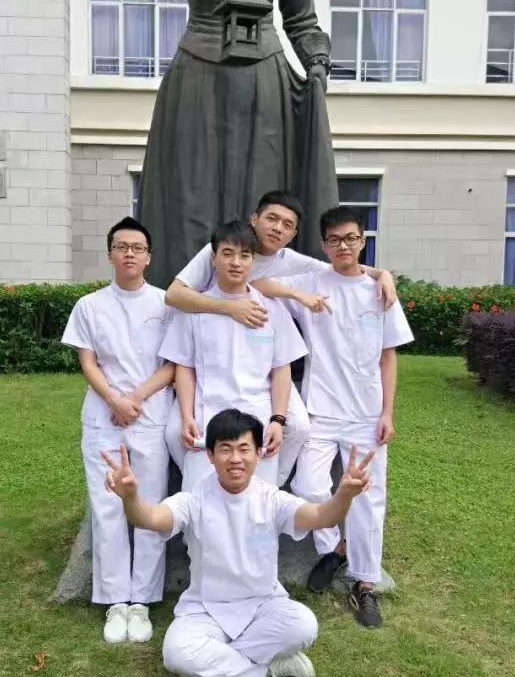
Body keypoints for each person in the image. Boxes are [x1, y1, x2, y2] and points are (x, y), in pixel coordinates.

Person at [101, 408, 378, 677]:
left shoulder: (271, 499)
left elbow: (321, 516)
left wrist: (344, 495)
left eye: (244, 449)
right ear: (210, 455)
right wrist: (131, 497)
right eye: (225, 449)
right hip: (205, 609)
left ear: (258, 453)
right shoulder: (194, 500)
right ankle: (268, 667)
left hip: (263, 604)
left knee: (304, 625)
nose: (235, 458)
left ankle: (213, 665)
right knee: (176, 653)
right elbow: (149, 518)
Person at [163, 190, 398, 485]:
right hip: (209, 351)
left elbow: (342, 266)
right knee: (175, 432)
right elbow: (174, 294)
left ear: (293, 234)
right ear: (255, 219)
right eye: (272, 218)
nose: (277, 228)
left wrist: (382, 274)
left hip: (255, 363)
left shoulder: (292, 263)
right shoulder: (225, 246)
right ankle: (199, 478)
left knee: (297, 426)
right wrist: (230, 307)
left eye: (287, 225)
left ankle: (273, 485)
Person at [131, 0, 338, 286]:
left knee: (262, 191)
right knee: (190, 195)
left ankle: (259, 294)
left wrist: (317, 61)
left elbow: (301, 19)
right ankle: (186, 294)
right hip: (197, 71)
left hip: (264, 79)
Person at [278, 206, 414, 628]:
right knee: (308, 486)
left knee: (369, 498)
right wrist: (301, 298)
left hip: (366, 414)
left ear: (363, 241)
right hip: (319, 409)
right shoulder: (311, 282)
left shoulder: (380, 292)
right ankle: (333, 548)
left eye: (351, 238)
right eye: (335, 240)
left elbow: (388, 357)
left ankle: (365, 583)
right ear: (323, 245)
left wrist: (388, 412)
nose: (343, 246)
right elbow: (258, 283)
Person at [61, 217, 175, 645]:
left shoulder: (166, 303)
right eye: (121, 246)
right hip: (103, 417)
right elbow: (88, 362)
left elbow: (172, 364)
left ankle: (141, 601)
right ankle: (114, 600)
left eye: (137, 247)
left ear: (149, 256)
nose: (129, 253)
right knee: (107, 505)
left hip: (150, 415)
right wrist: (114, 400)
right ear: (110, 254)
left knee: (149, 506)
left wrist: (135, 399)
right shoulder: (89, 306)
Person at [158, 219, 307, 490]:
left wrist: (277, 420)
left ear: (253, 260)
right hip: (206, 420)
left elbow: (281, 368)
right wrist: (187, 416)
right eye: (227, 254)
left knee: (259, 503)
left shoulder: (271, 309)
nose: (236, 262)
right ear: (213, 258)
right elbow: (185, 367)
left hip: (258, 420)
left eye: (244, 255)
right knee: (201, 500)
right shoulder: (194, 309)